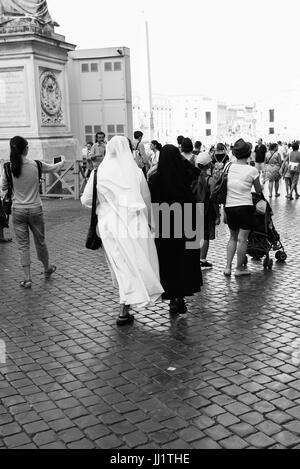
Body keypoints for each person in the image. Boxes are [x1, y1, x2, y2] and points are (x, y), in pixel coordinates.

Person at [81, 136, 163, 326]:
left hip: (109, 225)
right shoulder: (136, 172)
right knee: (134, 264)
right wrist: (151, 223)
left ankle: (124, 308)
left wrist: (104, 204)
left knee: (120, 265)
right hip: (134, 223)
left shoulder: (99, 172)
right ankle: (126, 306)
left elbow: (86, 200)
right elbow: (146, 199)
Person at [1, 136, 65, 288]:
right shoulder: (36, 165)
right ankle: (47, 268)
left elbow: (3, 187)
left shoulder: (8, 167)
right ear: (25, 149)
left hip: (18, 210)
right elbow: (55, 168)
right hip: (36, 208)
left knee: (23, 245)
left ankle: (27, 278)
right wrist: (62, 160)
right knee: (40, 242)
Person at [148, 144, 202, 315]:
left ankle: (172, 298)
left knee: (168, 262)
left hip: (164, 223)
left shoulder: (155, 179)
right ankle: (181, 296)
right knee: (185, 261)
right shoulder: (186, 175)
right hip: (187, 220)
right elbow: (197, 178)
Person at [224, 139, 262, 278]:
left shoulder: (228, 167)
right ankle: (239, 269)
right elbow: (258, 190)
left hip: (230, 206)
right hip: (245, 207)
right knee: (242, 239)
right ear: (248, 154)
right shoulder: (252, 170)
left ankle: (227, 267)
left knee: (232, 238)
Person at [195, 152, 218, 270]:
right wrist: (217, 214)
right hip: (206, 209)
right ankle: (202, 260)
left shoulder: (192, 177)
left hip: (193, 207)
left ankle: (194, 259)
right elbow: (213, 198)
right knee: (205, 235)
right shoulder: (210, 179)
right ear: (209, 165)